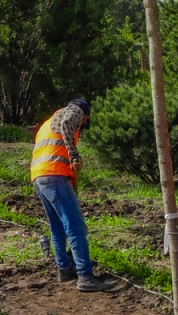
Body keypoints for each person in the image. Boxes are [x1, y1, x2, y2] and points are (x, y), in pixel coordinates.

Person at [30, 99, 115, 293]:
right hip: (54, 176)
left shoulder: (47, 123)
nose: (82, 125)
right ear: (84, 117)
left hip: (40, 176)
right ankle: (85, 276)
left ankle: (65, 269)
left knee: (57, 226)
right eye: (84, 122)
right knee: (75, 226)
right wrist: (74, 154)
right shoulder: (74, 111)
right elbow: (68, 124)